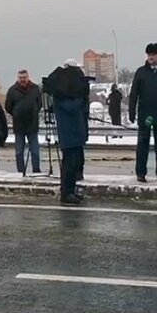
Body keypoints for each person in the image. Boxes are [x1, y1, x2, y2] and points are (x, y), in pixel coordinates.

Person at [45, 59, 90, 205]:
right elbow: (72, 108)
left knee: (74, 163)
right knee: (69, 164)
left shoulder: (66, 91)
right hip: (68, 134)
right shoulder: (62, 94)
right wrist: (81, 99)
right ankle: (66, 193)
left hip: (74, 132)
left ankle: (70, 190)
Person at [129, 43, 157, 183]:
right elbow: (134, 93)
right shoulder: (141, 72)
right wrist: (132, 111)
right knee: (143, 144)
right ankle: (141, 173)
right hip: (145, 114)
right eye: (149, 54)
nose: (151, 57)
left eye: (153, 54)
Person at [5, 70, 42, 174]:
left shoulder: (35, 89)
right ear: (18, 78)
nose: (22, 80)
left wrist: (34, 111)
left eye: (24, 77)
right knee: (19, 151)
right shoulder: (12, 90)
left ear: (28, 77)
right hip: (19, 125)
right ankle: (20, 171)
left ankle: (36, 170)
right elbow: (8, 106)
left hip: (32, 124)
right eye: (20, 78)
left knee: (35, 150)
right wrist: (16, 113)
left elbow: (39, 103)